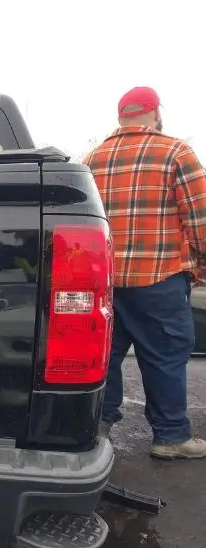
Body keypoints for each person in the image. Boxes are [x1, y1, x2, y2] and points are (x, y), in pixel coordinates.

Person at [84, 86, 206, 459]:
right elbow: (200, 218)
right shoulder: (175, 152)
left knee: (103, 358)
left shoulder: (92, 158)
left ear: (122, 116)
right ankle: (170, 438)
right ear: (154, 114)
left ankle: (95, 432)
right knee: (165, 357)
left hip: (104, 283)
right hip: (159, 278)